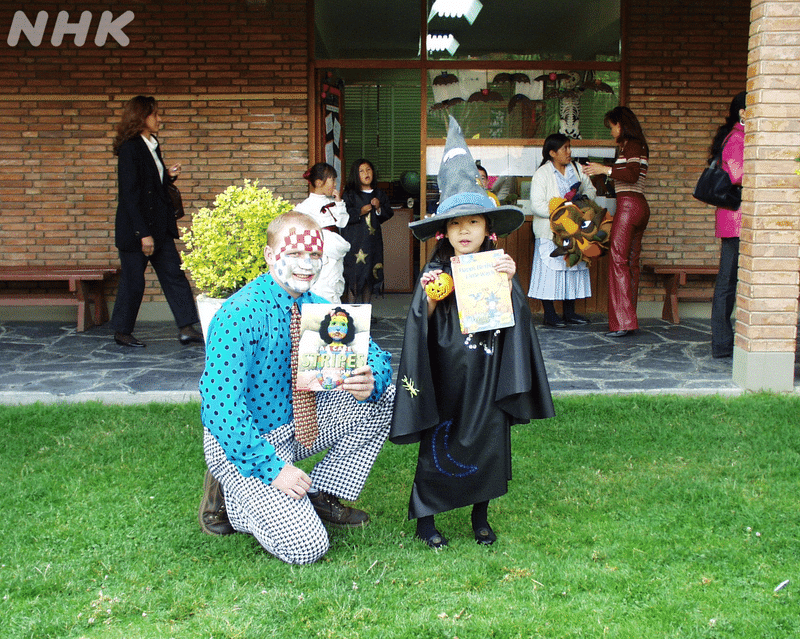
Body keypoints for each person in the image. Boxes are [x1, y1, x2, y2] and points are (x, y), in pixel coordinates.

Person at [390, 116, 555, 549]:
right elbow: (417, 325)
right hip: (447, 375)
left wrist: (512, 284)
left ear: (488, 229)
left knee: (488, 441)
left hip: (488, 372)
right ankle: (427, 516)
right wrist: (428, 300)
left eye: (474, 224)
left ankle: (480, 515)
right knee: (440, 443)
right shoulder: (434, 270)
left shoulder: (498, 265)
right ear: (444, 231)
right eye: (456, 225)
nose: (465, 232)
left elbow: (517, 320)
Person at [198, 210, 396, 565]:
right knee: (307, 547)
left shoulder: (318, 308)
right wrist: (274, 470)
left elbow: (379, 357)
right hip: (248, 441)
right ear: (270, 256)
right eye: (295, 254)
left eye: (315, 255)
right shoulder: (240, 313)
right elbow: (219, 407)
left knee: (387, 398)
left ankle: (320, 494)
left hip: (300, 426)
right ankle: (233, 497)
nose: (307, 265)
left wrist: (371, 379)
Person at [110, 95, 203, 347]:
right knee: (134, 281)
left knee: (174, 274)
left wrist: (168, 176)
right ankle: (122, 331)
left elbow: (151, 186)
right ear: (141, 117)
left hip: (159, 227)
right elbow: (129, 195)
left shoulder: (152, 143)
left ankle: (187, 327)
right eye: (155, 114)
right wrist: (143, 234)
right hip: (137, 230)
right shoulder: (130, 148)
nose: (159, 118)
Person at [584, 106, 650, 337]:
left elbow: (630, 175)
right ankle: (629, 318)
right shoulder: (639, 145)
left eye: (612, 127)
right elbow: (632, 173)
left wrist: (604, 169)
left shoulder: (631, 145)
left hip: (629, 206)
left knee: (618, 260)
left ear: (621, 125)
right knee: (631, 262)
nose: (611, 132)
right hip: (640, 205)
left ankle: (623, 322)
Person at [528, 133, 594, 327]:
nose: (569, 151)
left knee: (571, 268)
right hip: (551, 232)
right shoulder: (542, 174)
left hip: (574, 230)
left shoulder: (577, 169)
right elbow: (537, 205)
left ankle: (570, 313)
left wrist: (582, 201)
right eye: (565, 148)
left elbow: (591, 191)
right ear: (552, 153)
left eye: (569, 147)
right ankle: (549, 314)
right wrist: (561, 211)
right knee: (550, 272)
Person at [709, 91, 746, 358]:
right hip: (735, 219)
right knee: (727, 281)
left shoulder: (741, 136)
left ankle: (725, 341)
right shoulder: (736, 138)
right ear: (743, 112)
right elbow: (736, 174)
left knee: (731, 281)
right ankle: (722, 343)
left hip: (737, 217)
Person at [294, 163, 350, 303]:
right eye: (332, 180)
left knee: (335, 286)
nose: (335, 184)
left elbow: (342, 222)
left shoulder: (333, 203)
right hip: (320, 254)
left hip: (336, 254)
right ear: (319, 183)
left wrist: (338, 202)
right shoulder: (304, 208)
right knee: (321, 288)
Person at [341, 159, 394, 303]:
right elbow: (343, 215)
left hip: (372, 243)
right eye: (361, 171)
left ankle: (366, 311)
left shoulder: (379, 194)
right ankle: (351, 310)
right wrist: (359, 211)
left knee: (370, 275)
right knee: (354, 276)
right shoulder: (350, 194)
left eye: (368, 170)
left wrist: (378, 208)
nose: (366, 173)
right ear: (355, 175)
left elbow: (388, 213)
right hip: (354, 241)